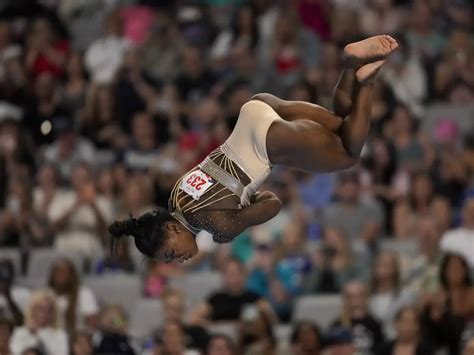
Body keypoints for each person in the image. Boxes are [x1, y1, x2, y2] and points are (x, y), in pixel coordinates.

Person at [109, 35, 400, 263]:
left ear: (172, 230)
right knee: (339, 122)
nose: (180, 260)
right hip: (256, 110)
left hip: (270, 143)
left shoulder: (218, 227)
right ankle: (352, 64)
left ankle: (366, 79)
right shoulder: (176, 194)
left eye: (171, 254)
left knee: (348, 154)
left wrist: (244, 205)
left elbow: (273, 203)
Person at [190, 259, 274, 325]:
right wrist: (214, 325)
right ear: (224, 276)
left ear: (244, 275)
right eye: (230, 274)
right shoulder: (216, 298)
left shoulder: (254, 298)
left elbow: (272, 319)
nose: (234, 278)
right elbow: (193, 319)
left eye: (237, 273)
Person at [329, 281, 385, 355]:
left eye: (359, 295)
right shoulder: (337, 324)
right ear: (345, 299)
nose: (355, 300)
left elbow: (381, 349)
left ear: (366, 296)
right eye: (350, 296)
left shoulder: (375, 324)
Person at [9, 289, 68, 355]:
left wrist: (39, 334)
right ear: (32, 310)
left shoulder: (60, 334)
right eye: (40, 308)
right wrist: (32, 335)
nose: (45, 313)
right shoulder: (20, 332)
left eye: (49, 309)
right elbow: (16, 352)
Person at [48, 258, 99, 333]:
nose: (60, 276)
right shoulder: (46, 294)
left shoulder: (83, 293)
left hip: (77, 336)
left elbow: (92, 320)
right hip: (51, 336)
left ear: (71, 276)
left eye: (64, 273)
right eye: (57, 273)